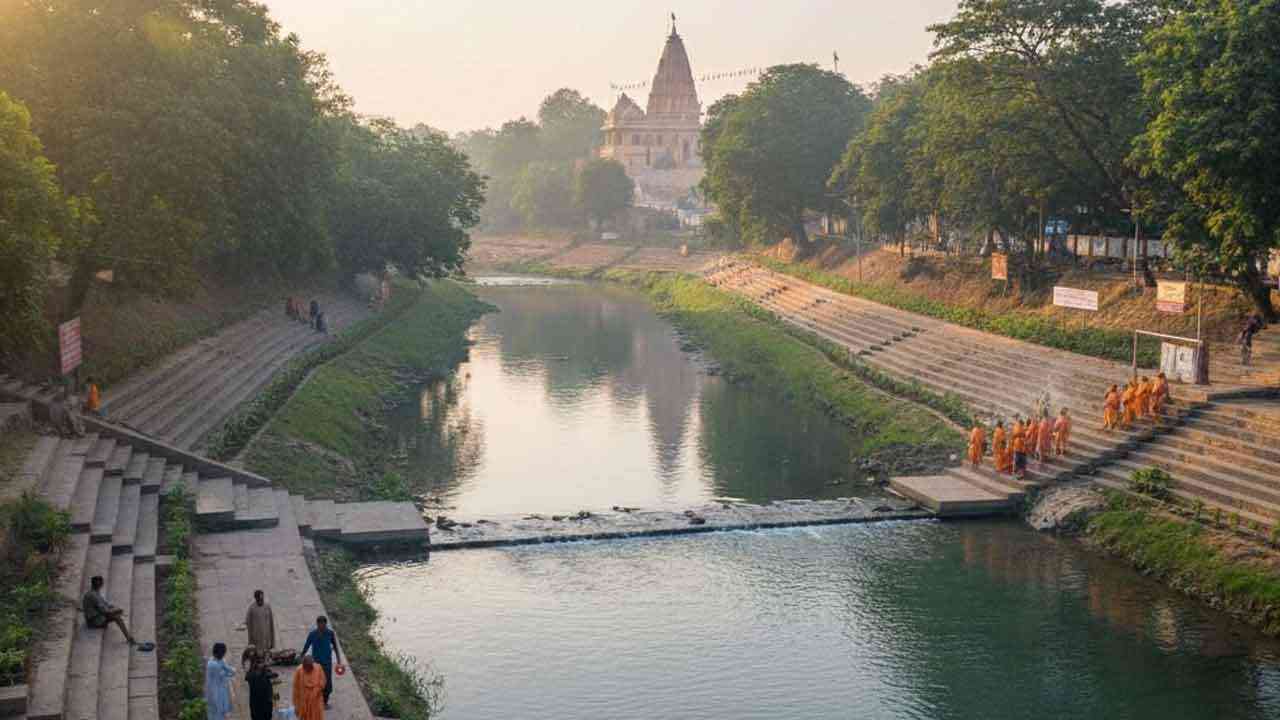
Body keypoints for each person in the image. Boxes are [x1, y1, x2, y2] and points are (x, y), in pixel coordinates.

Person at [301, 615, 343, 708]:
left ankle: (325, 702)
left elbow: (335, 646)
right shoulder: (312, 634)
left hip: (327, 663)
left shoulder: (330, 633)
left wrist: (339, 660)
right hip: (316, 664)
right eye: (320, 625)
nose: (322, 627)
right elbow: (306, 646)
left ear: (326, 624)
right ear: (317, 624)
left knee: (327, 684)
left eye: (323, 625)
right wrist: (302, 656)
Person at [83, 575, 135, 644]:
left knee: (115, 611)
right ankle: (128, 637)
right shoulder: (93, 596)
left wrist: (113, 608)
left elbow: (104, 603)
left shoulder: (92, 592)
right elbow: (105, 611)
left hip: (94, 616)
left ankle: (128, 637)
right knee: (117, 618)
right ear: (100, 585)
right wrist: (116, 611)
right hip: (93, 621)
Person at [205, 642, 236, 720]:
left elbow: (229, 671)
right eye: (224, 652)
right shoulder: (213, 665)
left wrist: (228, 670)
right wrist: (230, 671)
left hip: (220, 689)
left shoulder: (215, 660)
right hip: (215, 691)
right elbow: (229, 673)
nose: (224, 654)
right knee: (217, 713)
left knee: (221, 712)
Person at [293, 654, 327, 720]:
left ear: (312, 665)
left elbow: (323, 681)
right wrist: (296, 705)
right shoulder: (299, 671)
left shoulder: (318, 668)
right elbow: (295, 689)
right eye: (306, 668)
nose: (308, 669)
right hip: (304, 702)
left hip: (316, 701)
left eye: (310, 667)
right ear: (303, 666)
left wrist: (317, 690)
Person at [245, 651, 278, 720]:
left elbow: (274, 679)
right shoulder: (252, 674)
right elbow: (248, 677)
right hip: (258, 703)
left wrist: (275, 697)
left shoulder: (266, 672)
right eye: (260, 662)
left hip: (265, 703)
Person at [245, 589, 275, 654]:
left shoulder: (267, 607)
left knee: (266, 653)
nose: (262, 601)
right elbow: (248, 624)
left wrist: (272, 641)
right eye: (260, 599)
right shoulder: (252, 609)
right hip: (257, 637)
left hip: (267, 636)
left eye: (262, 599)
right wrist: (251, 640)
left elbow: (271, 623)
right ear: (256, 599)